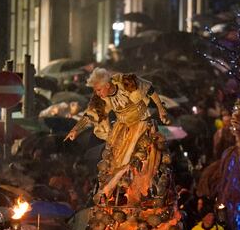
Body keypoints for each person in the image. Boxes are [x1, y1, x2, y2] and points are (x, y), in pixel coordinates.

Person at [64, 68, 170, 204]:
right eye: (96, 91)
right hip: (123, 128)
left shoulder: (127, 83)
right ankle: (117, 191)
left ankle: (145, 191)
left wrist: (161, 110)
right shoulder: (103, 99)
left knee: (139, 158)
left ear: (107, 85)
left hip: (142, 125)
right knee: (116, 161)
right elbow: (90, 114)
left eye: (99, 90)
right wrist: (75, 130)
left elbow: (150, 90)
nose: (97, 93)